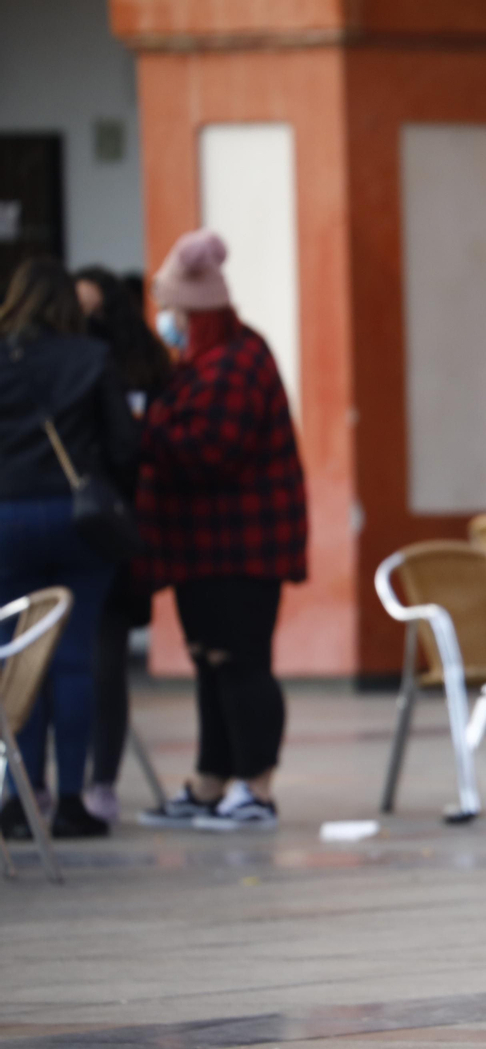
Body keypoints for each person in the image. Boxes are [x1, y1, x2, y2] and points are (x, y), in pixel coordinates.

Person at [134, 230, 307, 832]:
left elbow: (212, 451)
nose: (168, 324)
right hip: (203, 546)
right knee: (210, 663)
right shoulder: (205, 361)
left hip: (242, 547)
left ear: (198, 313)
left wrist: (143, 430)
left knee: (241, 663)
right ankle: (210, 782)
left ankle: (256, 788)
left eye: (175, 313)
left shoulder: (237, 362)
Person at [0, 257, 139, 839]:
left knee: (17, 656)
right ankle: (76, 798)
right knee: (75, 658)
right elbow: (125, 446)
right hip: (79, 520)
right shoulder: (91, 358)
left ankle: (22, 796)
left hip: (5, 519)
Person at [75, 266, 172, 824]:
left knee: (103, 661)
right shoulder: (71, 366)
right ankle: (51, 785)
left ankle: (98, 783)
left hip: (113, 529)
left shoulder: (140, 366)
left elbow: (131, 448)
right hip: (85, 520)